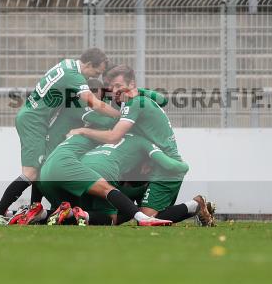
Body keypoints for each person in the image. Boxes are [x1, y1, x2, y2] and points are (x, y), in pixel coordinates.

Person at [0, 49, 120, 225]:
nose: (95, 76)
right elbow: (94, 104)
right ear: (88, 65)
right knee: (31, 173)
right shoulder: (75, 76)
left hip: (34, 117)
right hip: (33, 121)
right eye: (96, 72)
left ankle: (34, 208)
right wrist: (120, 116)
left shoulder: (66, 63)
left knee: (41, 167)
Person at [68, 65, 201, 223]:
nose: (114, 90)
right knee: (128, 209)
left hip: (165, 165)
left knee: (148, 219)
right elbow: (162, 99)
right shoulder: (131, 100)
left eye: (119, 85)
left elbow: (114, 136)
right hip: (150, 161)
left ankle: (197, 205)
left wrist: (83, 131)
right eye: (112, 87)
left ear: (132, 84)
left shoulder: (135, 104)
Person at [35, 133, 173, 226]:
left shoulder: (95, 135)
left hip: (51, 172)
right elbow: (170, 164)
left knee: (75, 208)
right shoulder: (135, 140)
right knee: (110, 217)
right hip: (100, 168)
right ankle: (142, 218)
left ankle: (40, 213)